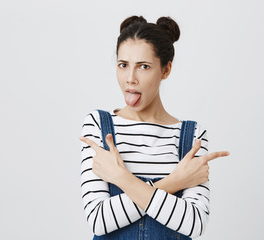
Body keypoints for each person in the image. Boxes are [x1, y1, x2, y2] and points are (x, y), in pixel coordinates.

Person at [79, 15, 230, 239]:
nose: (130, 78)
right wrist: (174, 182)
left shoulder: (192, 136)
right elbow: (99, 220)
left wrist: (122, 178)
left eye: (144, 66)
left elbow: (194, 224)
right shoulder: (98, 126)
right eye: (123, 65)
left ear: (165, 70)